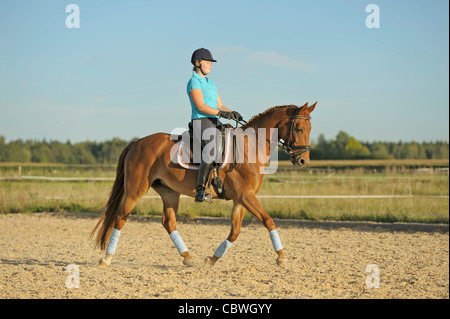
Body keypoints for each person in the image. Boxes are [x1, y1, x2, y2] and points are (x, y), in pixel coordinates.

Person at [187, 48, 242, 202]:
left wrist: (232, 113)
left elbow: (220, 105)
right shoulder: (194, 82)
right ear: (197, 63)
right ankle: (200, 189)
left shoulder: (211, 83)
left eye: (211, 62)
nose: (210, 65)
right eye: (207, 62)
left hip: (214, 121)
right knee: (211, 150)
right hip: (201, 121)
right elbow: (200, 106)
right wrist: (222, 114)